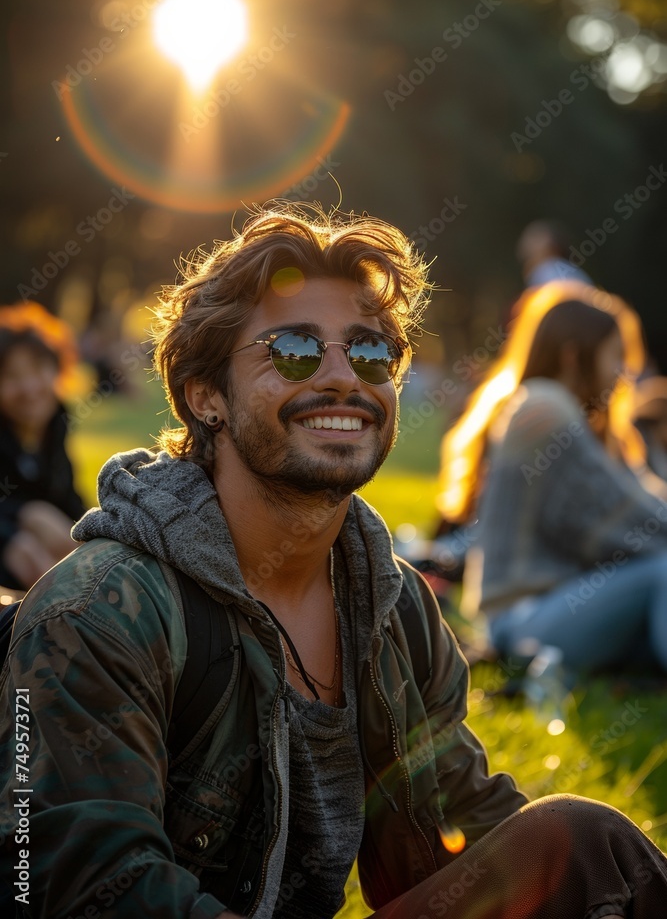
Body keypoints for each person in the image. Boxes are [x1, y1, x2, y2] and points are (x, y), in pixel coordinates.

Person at [1, 209, 665, 919]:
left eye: (372, 352)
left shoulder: (391, 604)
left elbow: (462, 831)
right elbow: (91, 887)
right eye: (293, 349)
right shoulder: (101, 611)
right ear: (206, 396)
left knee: (584, 847)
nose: (344, 378)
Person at [437, 280, 667, 677]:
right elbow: (625, 518)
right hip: (523, 622)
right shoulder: (545, 410)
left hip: (555, 610)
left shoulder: (555, 410)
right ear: (573, 355)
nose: (623, 374)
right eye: (615, 356)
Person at [0, 302, 84, 592]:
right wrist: (11, 535)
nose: (29, 388)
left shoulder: (56, 424)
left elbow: (68, 501)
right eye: (11, 376)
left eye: (38, 370)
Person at [516, 219, 594, 288]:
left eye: (534, 237)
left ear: (551, 245)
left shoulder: (547, 272)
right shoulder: (574, 272)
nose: (527, 242)